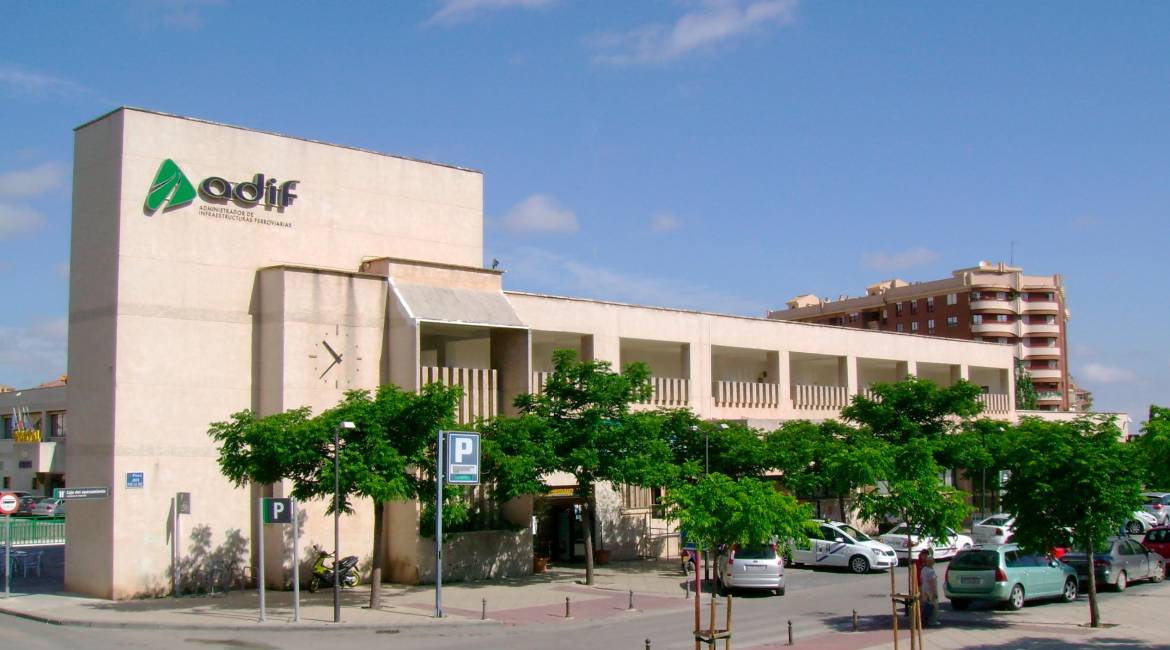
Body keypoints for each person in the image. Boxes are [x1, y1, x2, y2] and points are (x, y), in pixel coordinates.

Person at [919, 553, 940, 626]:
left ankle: (925, 620)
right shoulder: (931, 571)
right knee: (934, 606)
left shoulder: (923, 569)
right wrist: (935, 593)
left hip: (924, 589)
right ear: (932, 563)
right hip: (930, 591)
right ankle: (933, 621)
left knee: (926, 605)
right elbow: (933, 583)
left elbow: (921, 579)